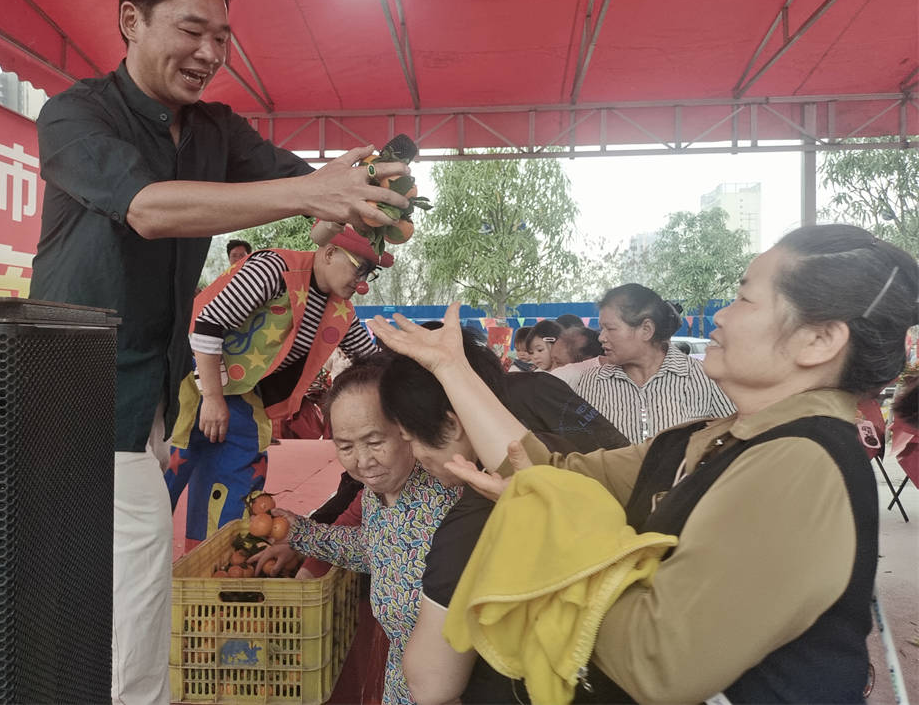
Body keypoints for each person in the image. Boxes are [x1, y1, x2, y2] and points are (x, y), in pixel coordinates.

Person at [27, 0, 409, 701]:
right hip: (74, 387)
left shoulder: (215, 130)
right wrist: (312, 193)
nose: (209, 53)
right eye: (191, 30)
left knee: (104, 575)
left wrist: (361, 195)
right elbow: (147, 208)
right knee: (139, 566)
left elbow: (304, 186)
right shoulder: (74, 117)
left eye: (223, 38)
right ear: (132, 21)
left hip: (150, 393)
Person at [371, 224, 919, 703]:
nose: (721, 314)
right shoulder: (714, 440)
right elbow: (545, 471)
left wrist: (550, 523)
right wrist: (452, 370)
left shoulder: (799, 463)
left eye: (745, 299)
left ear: (818, 340)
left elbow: (659, 660)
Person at [375, 329, 629, 704]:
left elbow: (431, 684)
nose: (414, 455)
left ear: (451, 424)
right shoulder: (554, 440)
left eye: (409, 438)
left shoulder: (477, 518)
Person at [254, 357, 462, 705]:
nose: (363, 461)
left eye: (374, 441)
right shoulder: (375, 495)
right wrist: (300, 533)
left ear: (406, 429)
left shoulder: (448, 497)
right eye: (346, 447)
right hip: (401, 685)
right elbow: (375, 548)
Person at [166, 226, 389, 547]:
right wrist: (212, 397)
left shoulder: (342, 311)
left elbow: (372, 362)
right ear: (330, 253)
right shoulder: (274, 268)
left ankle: (212, 559)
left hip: (242, 393)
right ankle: (130, 564)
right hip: (189, 377)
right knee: (166, 474)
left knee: (236, 481)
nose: (362, 283)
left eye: (370, 273)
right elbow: (208, 322)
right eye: (360, 268)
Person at [575, 283, 734, 442]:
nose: (601, 337)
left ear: (646, 329)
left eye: (610, 329)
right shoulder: (591, 382)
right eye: (601, 328)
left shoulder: (705, 378)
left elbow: (735, 441)